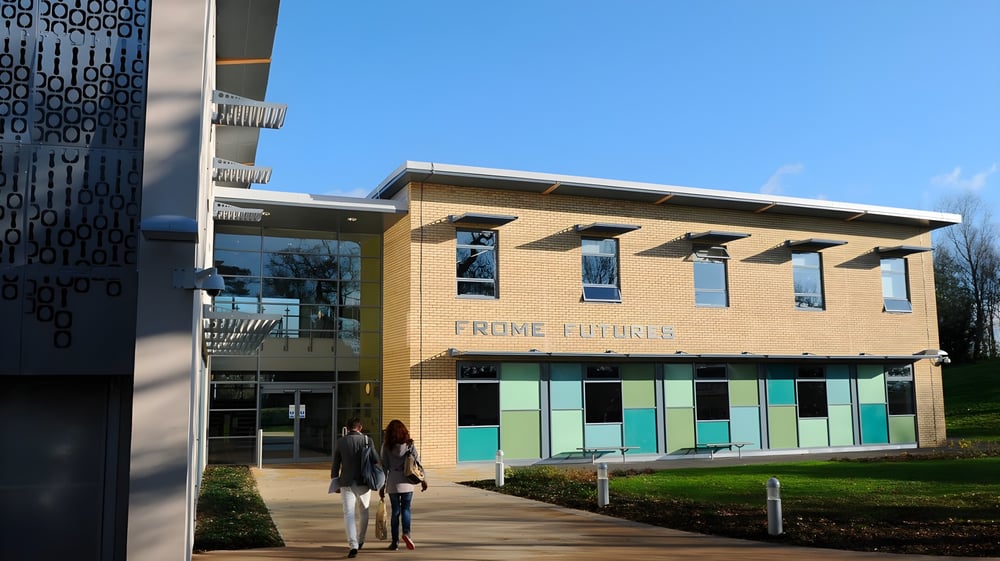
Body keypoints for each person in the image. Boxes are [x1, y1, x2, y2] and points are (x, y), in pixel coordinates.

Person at [331, 417, 380, 558]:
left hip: (346, 482)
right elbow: (376, 460)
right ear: (360, 427)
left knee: (349, 514)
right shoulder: (367, 440)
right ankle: (361, 540)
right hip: (364, 481)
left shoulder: (341, 442)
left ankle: (353, 545)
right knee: (364, 510)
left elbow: (335, 464)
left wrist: (335, 482)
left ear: (347, 427)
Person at [379, 419, 429, 551]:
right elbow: (417, 463)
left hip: (393, 482)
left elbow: (384, 467)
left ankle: (394, 542)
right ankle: (406, 533)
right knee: (406, 509)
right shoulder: (409, 444)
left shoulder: (386, 446)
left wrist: (382, 486)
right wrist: (424, 479)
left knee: (395, 511)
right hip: (408, 481)